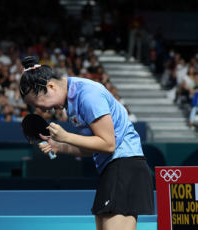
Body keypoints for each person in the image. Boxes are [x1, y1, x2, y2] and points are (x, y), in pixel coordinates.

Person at [18, 56, 154, 230]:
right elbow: (93, 148)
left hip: (125, 166)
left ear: (51, 86)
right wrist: (60, 146)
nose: (42, 109)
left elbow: (108, 144)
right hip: (112, 169)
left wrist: (66, 136)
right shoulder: (72, 100)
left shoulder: (88, 95)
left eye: (39, 103)